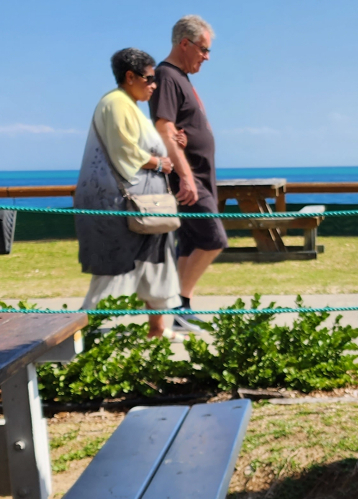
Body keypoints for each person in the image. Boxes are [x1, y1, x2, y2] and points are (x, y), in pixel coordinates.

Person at [74, 48, 181, 339]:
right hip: (120, 204)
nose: (154, 85)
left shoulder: (128, 104)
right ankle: (93, 334)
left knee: (154, 263)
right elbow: (126, 150)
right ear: (129, 76)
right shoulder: (117, 103)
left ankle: (159, 329)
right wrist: (160, 161)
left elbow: (142, 145)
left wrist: (168, 146)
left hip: (142, 203)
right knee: (115, 271)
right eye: (149, 79)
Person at [152, 15, 226, 325]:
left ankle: (181, 311)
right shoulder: (166, 76)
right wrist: (184, 176)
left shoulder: (180, 77)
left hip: (199, 175)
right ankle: (177, 306)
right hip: (189, 177)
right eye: (203, 49)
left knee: (192, 243)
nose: (207, 57)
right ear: (184, 43)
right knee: (214, 239)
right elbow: (163, 127)